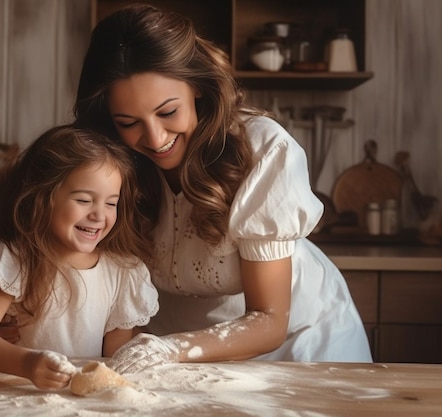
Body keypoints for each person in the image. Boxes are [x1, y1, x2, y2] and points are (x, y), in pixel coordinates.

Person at [71, 3, 372, 373]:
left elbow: (269, 319)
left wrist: (172, 349)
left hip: (300, 344)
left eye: (168, 112)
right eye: (128, 121)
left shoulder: (262, 149)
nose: (155, 138)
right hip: (174, 346)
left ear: (198, 88)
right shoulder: (106, 160)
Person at [0, 124, 159, 389]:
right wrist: (27, 365)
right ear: (42, 197)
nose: (99, 215)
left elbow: (115, 358)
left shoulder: (123, 271)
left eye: (111, 203)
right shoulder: (17, 261)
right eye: (84, 200)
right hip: (21, 397)